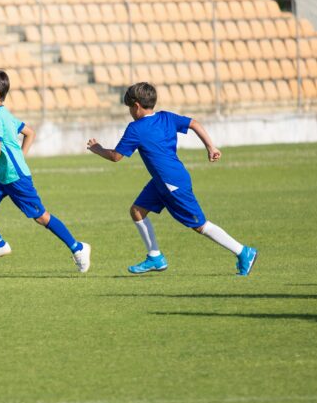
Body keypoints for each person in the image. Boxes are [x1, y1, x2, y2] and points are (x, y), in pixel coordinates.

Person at [86, 82, 258, 276]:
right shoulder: (166, 117)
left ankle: (243, 252)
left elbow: (115, 156)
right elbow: (194, 123)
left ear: (136, 106)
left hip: (171, 184)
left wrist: (97, 148)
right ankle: (155, 257)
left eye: (129, 108)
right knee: (137, 211)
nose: (130, 112)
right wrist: (211, 146)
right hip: (164, 180)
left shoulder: (136, 129)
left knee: (199, 225)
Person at [0, 69, 92, 272]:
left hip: (16, 178)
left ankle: (78, 248)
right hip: (3, 175)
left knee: (41, 217)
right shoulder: (5, 114)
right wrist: (19, 157)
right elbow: (29, 133)